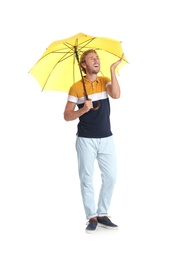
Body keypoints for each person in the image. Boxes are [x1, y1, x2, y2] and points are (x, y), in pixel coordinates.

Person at [63, 49, 124, 234]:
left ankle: (103, 213)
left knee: (111, 177)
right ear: (83, 65)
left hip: (106, 137)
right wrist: (83, 109)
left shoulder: (105, 81)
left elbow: (116, 95)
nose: (96, 60)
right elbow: (67, 116)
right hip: (85, 139)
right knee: (87, 179)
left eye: (97, 58)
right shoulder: (75, 87)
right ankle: (92, 217)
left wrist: (113, 70)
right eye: (92, 58)